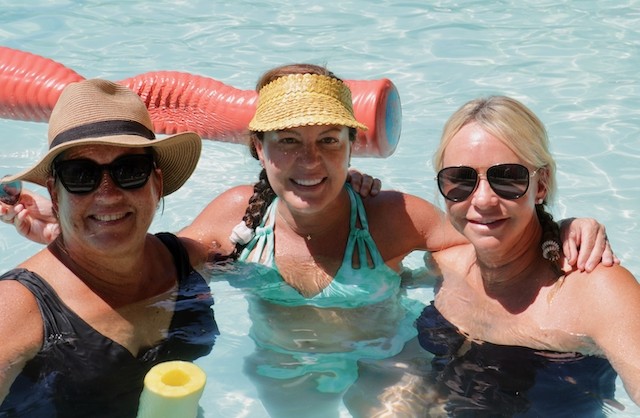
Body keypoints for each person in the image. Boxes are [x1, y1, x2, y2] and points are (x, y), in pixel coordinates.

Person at [0, 66, 615, 417]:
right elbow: (157, 261)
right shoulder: (237, 217)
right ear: (258, 150)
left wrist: (561, 231)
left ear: (352, 148)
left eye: (328, 141)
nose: (310, 161)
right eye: (288, 142)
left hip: (386, 363)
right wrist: (78, 233)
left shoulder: (392, 217)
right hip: (281, 367)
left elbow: (487, 245)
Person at [0, 79, 219, 418]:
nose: (108, 194)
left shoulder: (187, 261)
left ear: (157, 183)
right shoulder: (17, 308)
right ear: (55, 193)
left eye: (129, 170)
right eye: (80, 175)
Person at [415, 95, 640, 416]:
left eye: (507, 177)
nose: (482, 200)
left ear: (541, 185)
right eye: (461, 179)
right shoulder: (443, 264)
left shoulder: (595, 291)